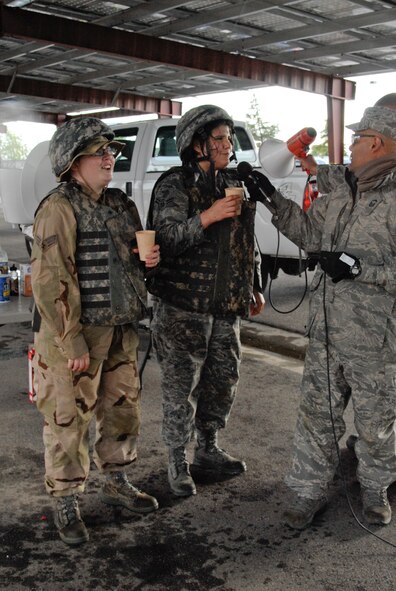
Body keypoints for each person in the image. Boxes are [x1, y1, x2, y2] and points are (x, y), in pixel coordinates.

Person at [243, 105, 396, 528]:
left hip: (377, 343)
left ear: (376, 143)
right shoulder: (342, 194)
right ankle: (307, 491)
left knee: (377, 425)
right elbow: (308, 234)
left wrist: (360, 269)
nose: (349, 147)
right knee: (316, 418)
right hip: (327, 332)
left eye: (356, 139)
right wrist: (269, 197)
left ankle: (375, 489)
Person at [31, 116, 160, 546]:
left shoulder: (120, 203)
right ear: (72, 162)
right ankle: (67, 499)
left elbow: (126, 262)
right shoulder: (58, 207)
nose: (110, 157)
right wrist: (72, 340)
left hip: (121, 329)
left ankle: (117, 479)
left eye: (111, 150)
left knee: (123, 410)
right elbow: (51, 280)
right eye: (99, 151)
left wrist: (148, 261)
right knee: (69, 419)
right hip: (76, 337)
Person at [146, 104, 265, 497]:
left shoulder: (233, 182)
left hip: (225, 308)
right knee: (180, 387)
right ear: (195, 144)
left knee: (220, 381)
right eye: (218, 138)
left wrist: (255, 283)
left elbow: (247, 240)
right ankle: (177, 458)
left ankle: (208, 449)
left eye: (228, 138)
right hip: (182, 308)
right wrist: (208, 216)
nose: (227, 145)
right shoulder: (174, 185)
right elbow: (163, 240)